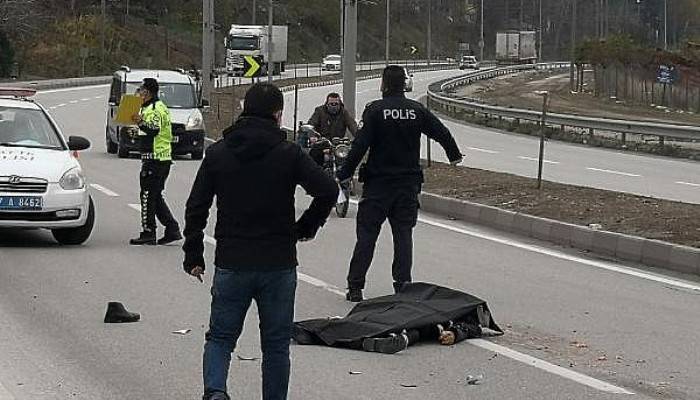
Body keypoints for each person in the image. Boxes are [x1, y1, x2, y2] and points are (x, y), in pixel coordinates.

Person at [182, 83, 338, 400]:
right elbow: (328, 190)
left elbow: (196, 206)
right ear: (277, 114)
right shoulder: (289, 154)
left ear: (244, 110)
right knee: (276, 345)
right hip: (278, 263)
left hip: (232, 261)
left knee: (221, 338)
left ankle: (215, 393)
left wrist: (193, 253)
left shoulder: (218, 153)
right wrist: (306, 227)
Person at [336, 66, 464, 302]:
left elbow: (360, 146)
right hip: (407, 185)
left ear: (384, 84)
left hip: (378, 184)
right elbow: (442, 132)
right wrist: (453, 155)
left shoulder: (375, 111)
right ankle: (403, 286)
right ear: (404, 84)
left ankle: (355, 287)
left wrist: (344, 173)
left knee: (367, 236)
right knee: (403, 236)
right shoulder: (416, 110)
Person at [129, 78, 181, 246]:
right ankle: (172, 228)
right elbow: (149, 132)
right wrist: (136, 132)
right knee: (155, 196)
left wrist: (140, 122)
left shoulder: (155, 109)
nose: (139, 93)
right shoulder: (150, 108)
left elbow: (154, 130)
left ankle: (148, 232)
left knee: (147, 195)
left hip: (156, 159)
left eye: (141, 90)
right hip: (158, 158)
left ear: (148, 92)